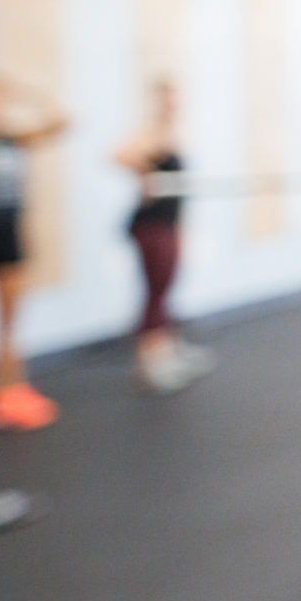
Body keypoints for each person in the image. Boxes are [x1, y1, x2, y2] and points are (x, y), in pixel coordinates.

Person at [0, 75, 71, 431]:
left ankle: (7, 393)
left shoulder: (12, 138)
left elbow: (61, 121)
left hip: (8, 239)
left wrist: (25, 91)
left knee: (8, 325)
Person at [114, 78, 213, 394]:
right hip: (150, 225)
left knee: (165, 287)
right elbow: (119, 155)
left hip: (168, 224)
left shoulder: (172, 133)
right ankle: (151, 361)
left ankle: (168, 351)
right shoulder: (153, 132)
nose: (173, 104)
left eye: (176, 98)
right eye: (168, 98)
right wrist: (144, 172)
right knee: (155, 291)